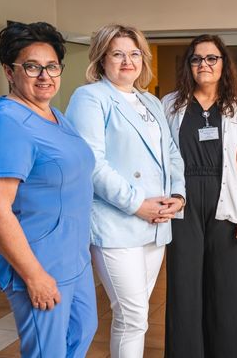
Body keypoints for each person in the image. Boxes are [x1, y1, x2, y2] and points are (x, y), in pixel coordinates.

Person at [66, 24, 186, 357]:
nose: (127, 61)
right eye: (117, 54)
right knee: (132, 317)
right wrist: (137, 204)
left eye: (134, 54)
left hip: (157, 224)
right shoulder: (90, 97)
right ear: (101, 59)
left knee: (137, 315)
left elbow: (171, 153)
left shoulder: (151, 101)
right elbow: (92, 164)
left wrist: (178, 196)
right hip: (117, 223)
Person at [0, 21, 97, 357]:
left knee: (82, 332)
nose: (45, 75)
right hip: (40, 262)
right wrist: (34, 276)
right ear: (9, 71)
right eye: (32, 67)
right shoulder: (5, 123)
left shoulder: (55, 115)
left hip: (74, 257)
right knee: (48, 351)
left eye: (52, 66)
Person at [162, 34, 237, 358]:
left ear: (222, 64)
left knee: (226, 287)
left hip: (225, 200)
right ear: (189, 65)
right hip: (183, 202)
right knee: (184, 285)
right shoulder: (169, 104)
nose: (204, 64)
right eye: (196, 58)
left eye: (211, 58)